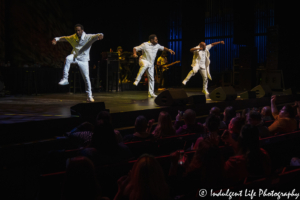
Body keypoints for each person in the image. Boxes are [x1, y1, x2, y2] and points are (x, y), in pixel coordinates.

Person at [52, 24, 104, 102]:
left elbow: (98, 35)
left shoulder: (88, 37)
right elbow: (64, 38)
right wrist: (56, 39)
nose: (77, 32)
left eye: (79, 30)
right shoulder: (73, 37)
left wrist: (101, 35)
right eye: (76, 30)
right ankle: (65, 78)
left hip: (84, 60)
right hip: (75, 56)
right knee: (68, 58)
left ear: (82, 30)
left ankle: (89, 96)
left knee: (86, 78)